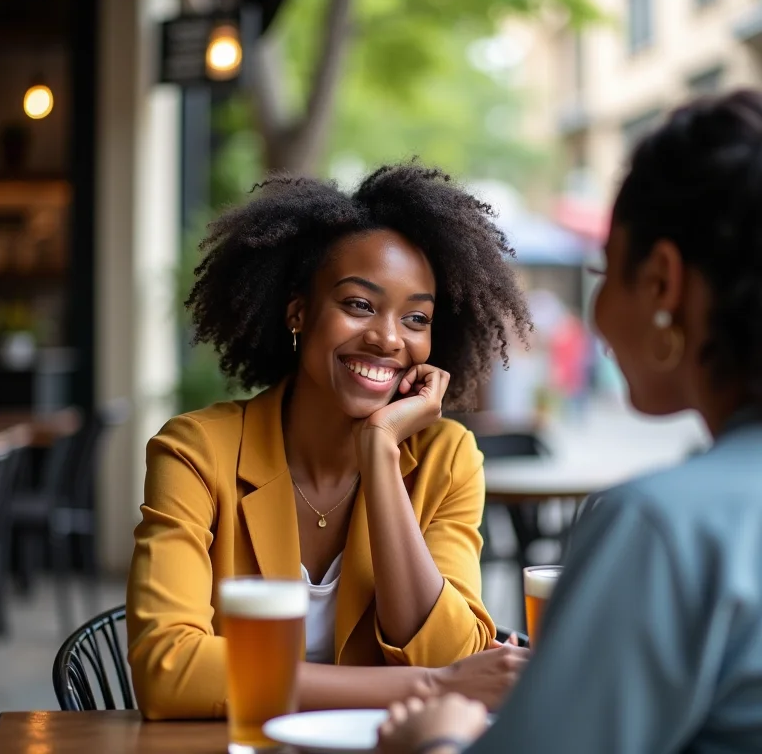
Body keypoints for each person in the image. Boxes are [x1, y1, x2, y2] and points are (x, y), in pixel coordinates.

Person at [377, 90, 762, 754]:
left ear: (663, 283)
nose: (598, 317)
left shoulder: (662, 528)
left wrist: (438, 740)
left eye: (604, 272)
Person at [126, 163, 533, 720]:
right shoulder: (196, 452)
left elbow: (451, 652)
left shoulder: (446, 457)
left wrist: (382, 449)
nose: (389, 337)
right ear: (299, 311)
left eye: (416, 317)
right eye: (359, 304)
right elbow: (167, 672)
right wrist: (432, 686)